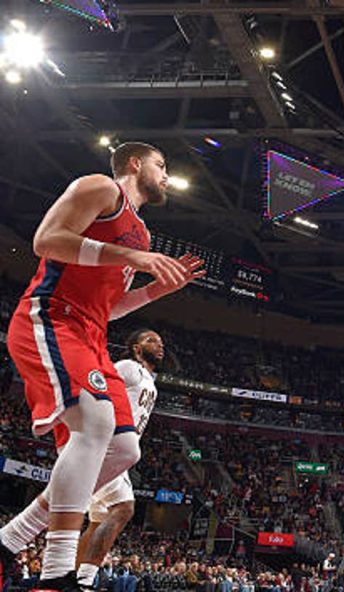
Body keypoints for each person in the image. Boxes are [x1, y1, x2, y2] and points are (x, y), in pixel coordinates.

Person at [1, 142, 203, 590]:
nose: (167, 176)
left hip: (92, 332)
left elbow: (110, 310)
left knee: (125, 450)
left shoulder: (144, 235)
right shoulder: (101, 189)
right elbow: (46, 241)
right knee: (93, 423)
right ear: (135, 163)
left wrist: (157, 291)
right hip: (53, 315)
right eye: (161, 165)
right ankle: (56, 573)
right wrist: (130, 257)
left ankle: (10, 539)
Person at [74, 329, 165, 588]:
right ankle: (84, 581)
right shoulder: (128, 367)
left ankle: (71, 575)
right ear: (136, 348)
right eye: (151, 341)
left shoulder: (150, 382)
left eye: (161, 342)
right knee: (124, 508)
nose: (159, 346)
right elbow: (96, 386)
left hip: (120, 452)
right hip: (108, 445)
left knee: (96, 522)